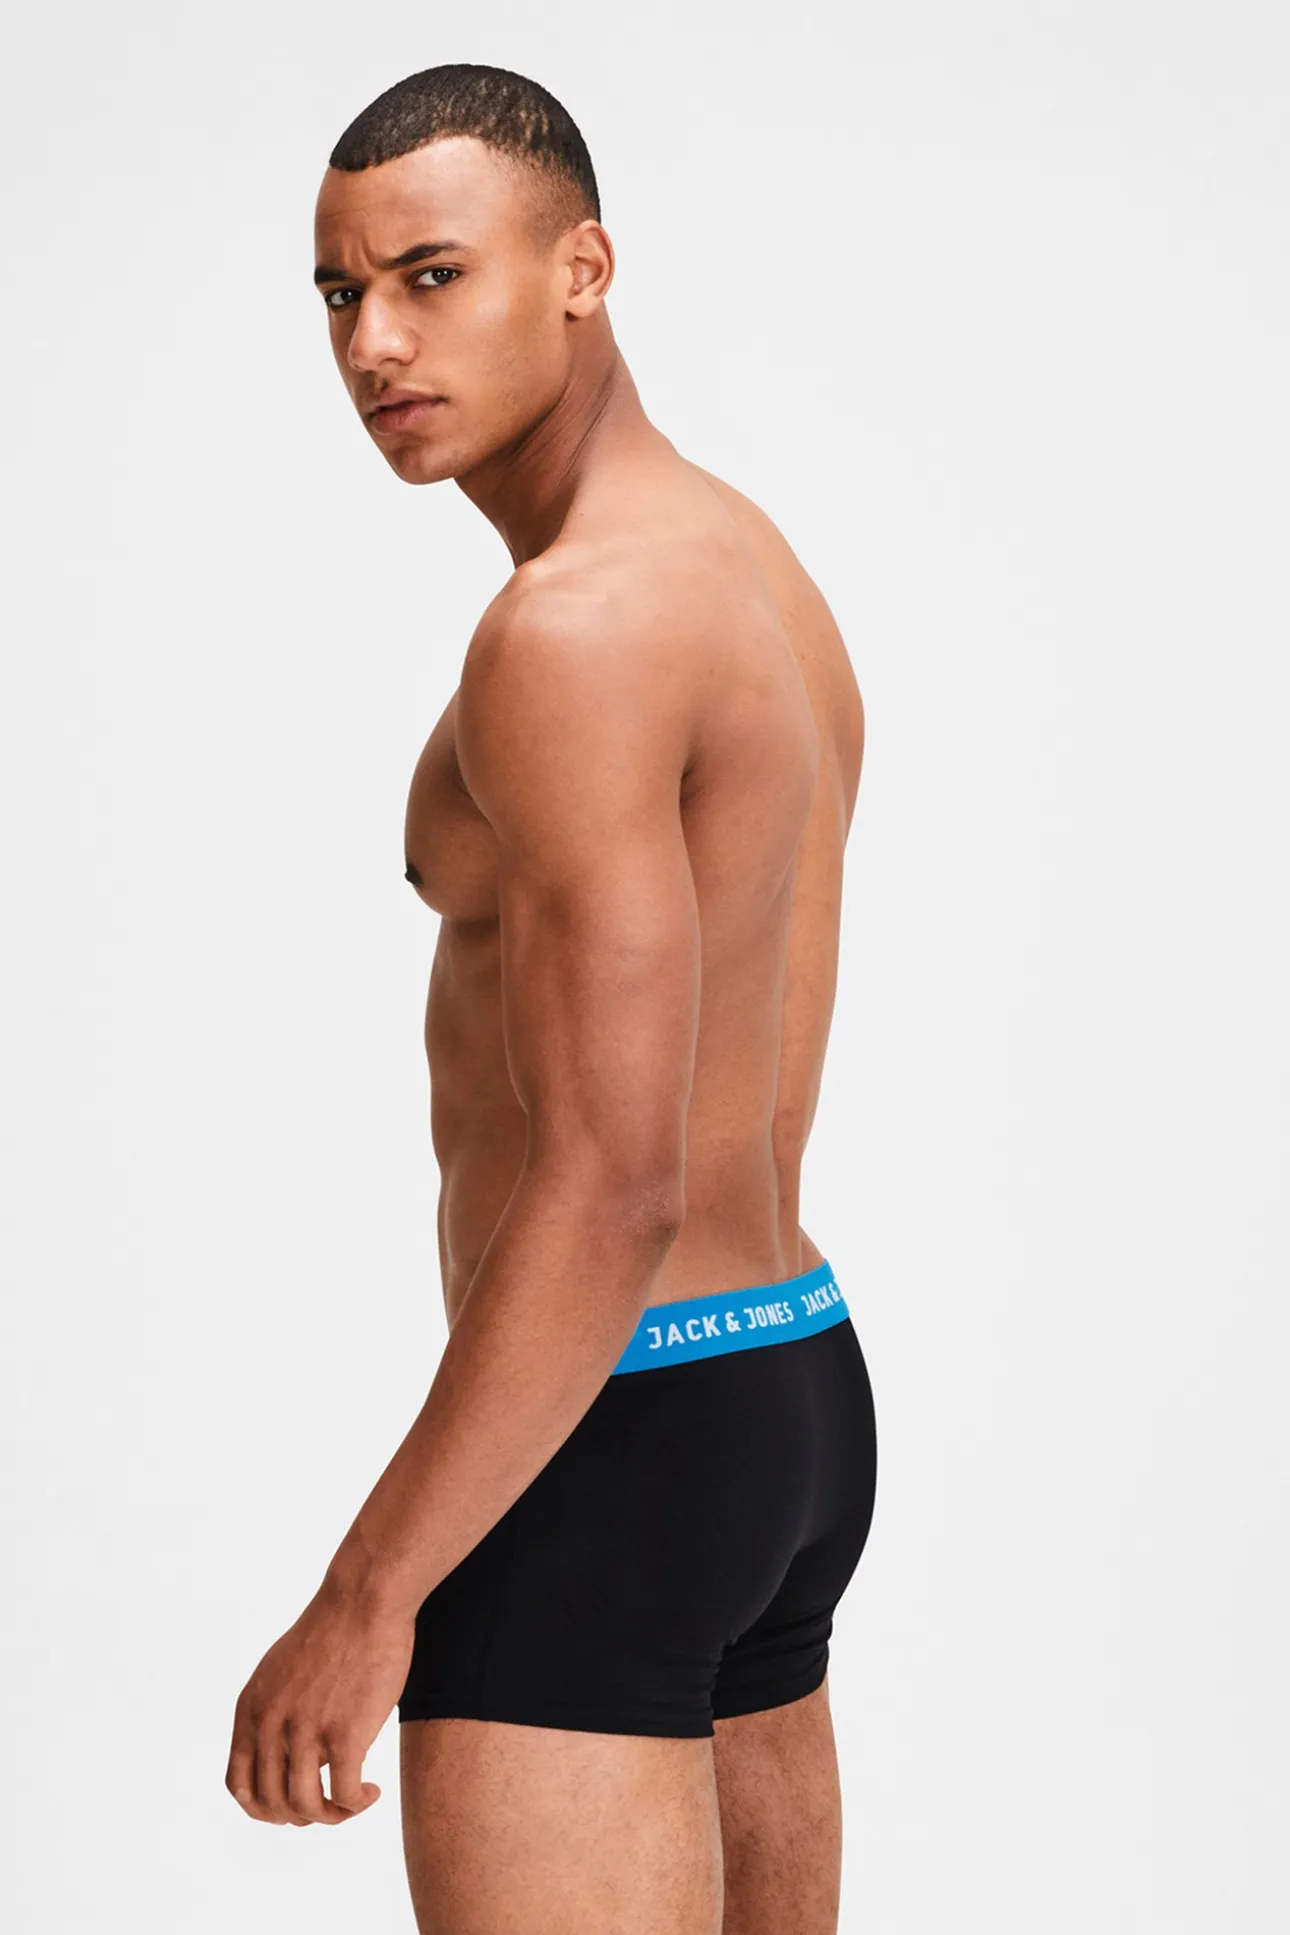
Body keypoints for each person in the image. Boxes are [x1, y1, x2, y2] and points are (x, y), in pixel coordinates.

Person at [225, 61, 878, 1935]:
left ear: (581, 266)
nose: (374, 344)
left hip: (614, 1431)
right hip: (782, 1383)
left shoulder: (572, 628)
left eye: (431, 276)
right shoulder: (742, 558)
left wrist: (363, 1597)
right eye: (341, 293)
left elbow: (610, 1178)